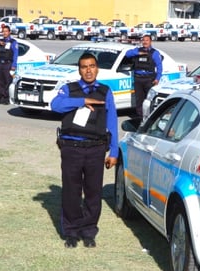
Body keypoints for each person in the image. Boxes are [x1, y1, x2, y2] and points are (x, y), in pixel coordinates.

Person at [51, 53, 118, 249]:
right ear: (79, 69)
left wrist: (113, 152)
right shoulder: (69, 89)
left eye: (91, 66)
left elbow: (112, 121)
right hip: (72, 148)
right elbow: (55, 105)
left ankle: (88, 231)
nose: (88, 70)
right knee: (71, 191)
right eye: (83, 67)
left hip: (96, 149)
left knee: (93, 192)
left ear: (97, 68)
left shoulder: (105, 92)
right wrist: (82, 100)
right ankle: (71, 232)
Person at [125, 34, 163, 118]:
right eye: (143, 40)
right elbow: (127, 54)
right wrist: (138, 53)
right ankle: (140, 118)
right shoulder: (137, 50)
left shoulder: (154, 53)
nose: (145, 42)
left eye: (147, 40)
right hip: (138, 79)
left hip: (149, 79)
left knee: (149, 100)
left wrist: (157, 79)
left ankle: (150, 117)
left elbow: (159, 67)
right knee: (139, 101)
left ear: (150, 41)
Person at [0, 25, 18, 104]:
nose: (4, 33)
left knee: (7, 81)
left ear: (9, 32)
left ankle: (7, 98)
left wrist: (14, 66)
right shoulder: (0, 40)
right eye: (3, 31)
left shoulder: (13, 42)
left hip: (8, 64)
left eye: (6, 31)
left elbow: (15, 54)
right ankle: (2, 97)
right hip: (0, 64)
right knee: (0, 81)